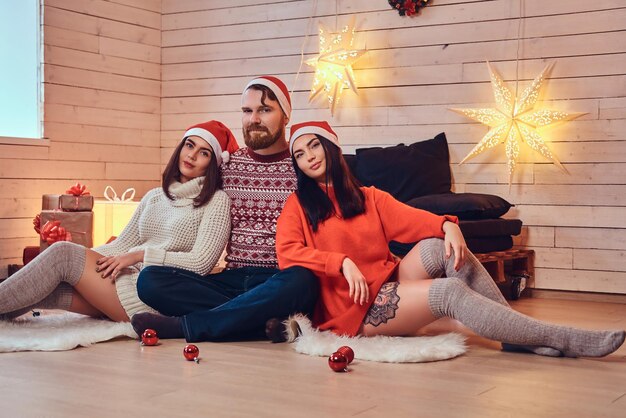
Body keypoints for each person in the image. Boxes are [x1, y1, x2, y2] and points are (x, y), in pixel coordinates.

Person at [276, 120, 625, 358]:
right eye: (300, 155)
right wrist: (341, 262)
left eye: (314, 146)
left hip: (385, 280)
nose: (310, 158)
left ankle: (515, 334)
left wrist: (448, 226)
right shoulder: (298, 205)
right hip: (353, 308)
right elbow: (287, 254)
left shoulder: (368, 197)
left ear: (332, 147)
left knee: (435, 246)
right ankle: (559, 337)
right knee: (450, 293)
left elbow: (414, 221)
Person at [131, 76, 318, 342]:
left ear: (286, 116)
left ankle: (186, 326)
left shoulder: (302, 166)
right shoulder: (225, 166)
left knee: (303, 280)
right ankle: (258, 325)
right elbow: (185, 199)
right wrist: (136, 246)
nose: (254, 119)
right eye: (247, 111)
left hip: (279, 278)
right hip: (231, 278)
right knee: (150, 279)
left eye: (265, 110)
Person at [0, 120, 239, 323]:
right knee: (47, 288)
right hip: (122, 278)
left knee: (62, 254)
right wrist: (84, 258)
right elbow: (120, 246)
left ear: (213, 164)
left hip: (150, 293)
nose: (192, 155)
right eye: (189, 145)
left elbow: (200, 263)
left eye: (204, 152)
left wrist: (140, 255)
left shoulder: (217, 201)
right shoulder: (155, 196)